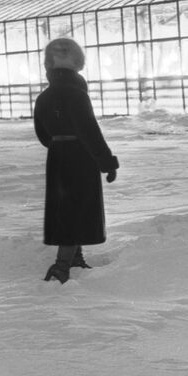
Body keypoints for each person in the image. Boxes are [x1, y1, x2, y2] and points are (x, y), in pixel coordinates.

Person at [33, 37, 119, 283]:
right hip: (81, 156)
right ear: (78, 64)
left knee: (66, 209)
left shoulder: (44, 97)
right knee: (78, 208)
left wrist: (58, 145)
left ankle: (75, 258)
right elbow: (90, 131)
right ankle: (62, 266)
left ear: (48, 64)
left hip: (57, 157)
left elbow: (42, 134)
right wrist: (106, 162)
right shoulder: (77, 94)